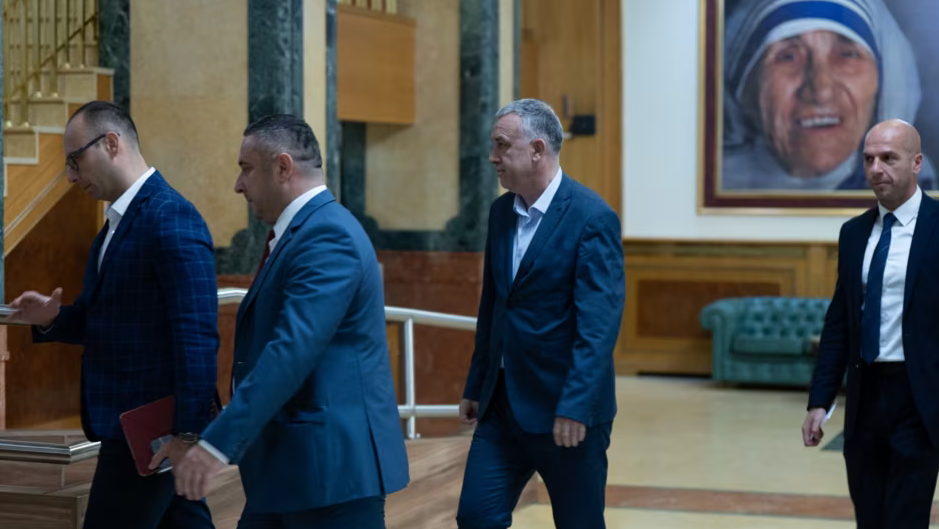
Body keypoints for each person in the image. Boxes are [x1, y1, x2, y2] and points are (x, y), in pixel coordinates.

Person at [173, 114, 409, 528]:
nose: (238, 185)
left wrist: (219, 442)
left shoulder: (328, 235)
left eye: (246, 169)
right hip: (291, 468)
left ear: (283, 167)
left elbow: (291, 350)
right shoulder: (305, 231)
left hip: (332, 475)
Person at [9, 101, 219, 528]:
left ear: (110, 143)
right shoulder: (116, 225)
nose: (70, 176)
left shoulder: (170, 215)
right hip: (132, 425)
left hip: (150, 429)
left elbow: (197, 335)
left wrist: (187, 434)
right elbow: (105, 320)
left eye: (75, 160)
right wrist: (51, 317)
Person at [455, 99, 626, 529]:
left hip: (564, 409)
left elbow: (598, 326)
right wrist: (477, 382)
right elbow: (493, 305)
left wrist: (576, 404)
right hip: (501, 405)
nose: (492, 157)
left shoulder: (592, 217)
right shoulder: (500, 212)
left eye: (501, 145)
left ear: (537, 150)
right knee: (475, 517)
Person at [803, 119, 939, 528]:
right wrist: (820, 400)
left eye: (888, 158)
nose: (876, 169)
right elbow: (839, 324)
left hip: (921, 399)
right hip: (865, 400)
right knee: (870, 517)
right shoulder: (854, 233)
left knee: (905, 518)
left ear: (916, 163)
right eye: (868, 159)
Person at [723, 0, 936, 191]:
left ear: (884, 82)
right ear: (744, 86)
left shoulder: (917, 193)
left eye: (847, 54)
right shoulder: (710, 190)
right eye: (788, 56)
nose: (821, 90)